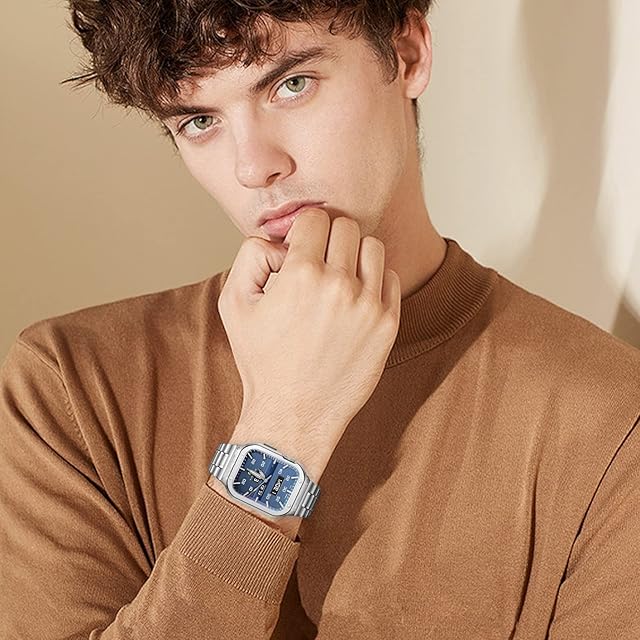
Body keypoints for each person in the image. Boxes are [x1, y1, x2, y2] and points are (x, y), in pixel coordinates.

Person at [1, 1, 638, 638]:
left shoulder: (610, 420)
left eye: (291, 84)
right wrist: (282, 432)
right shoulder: (69, 389)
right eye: (199, 121)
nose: (253, 167)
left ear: (408, 53)